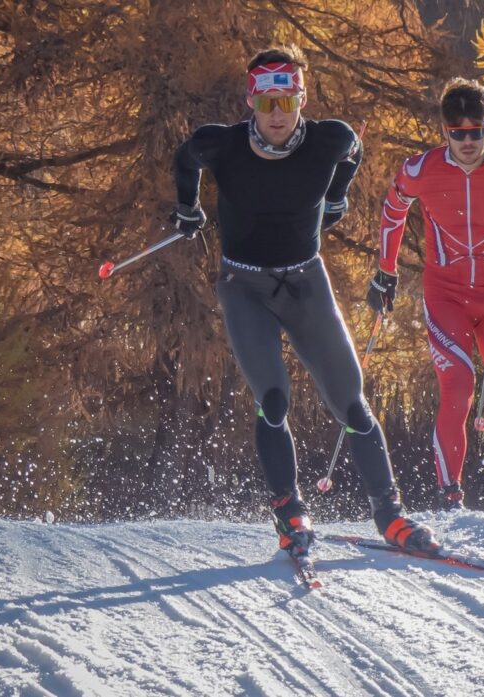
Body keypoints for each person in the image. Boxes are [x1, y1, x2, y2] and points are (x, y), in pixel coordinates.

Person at [170, 46, 439, 564]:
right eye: (267, 102)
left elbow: (353, 151)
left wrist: (336, 198)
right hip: (244, 285)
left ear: (301, 99)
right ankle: (290, 513)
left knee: (352, 403)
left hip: (306, 283)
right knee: (274, 399)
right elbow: (185, 159)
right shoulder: (220, 145)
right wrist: (187, 210)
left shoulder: (328, 140)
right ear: (251, 101)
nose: (277, 114)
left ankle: (391, 516)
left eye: (286, 101)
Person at [367, 77, 484, 517]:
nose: (468, 142)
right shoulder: (420, 170)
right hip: (445, 296)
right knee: (458, 387)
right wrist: (385, 271)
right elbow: (393, 211)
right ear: (444, 131)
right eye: (458, 134)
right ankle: (450, 498)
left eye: (476, 132)